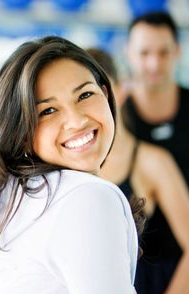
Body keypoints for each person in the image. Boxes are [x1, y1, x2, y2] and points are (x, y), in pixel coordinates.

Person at [0, 36, 143, 294]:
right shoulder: (85, 197)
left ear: (106, 93)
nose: (76, 121)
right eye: (47, 111)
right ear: (22, 135)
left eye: (85, 95)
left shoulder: (20, 195)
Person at [88, 48, 189, 294]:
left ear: (120, 91)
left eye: (92, 94)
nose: (87, 107)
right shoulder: (67, 166)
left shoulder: (152, 162)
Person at [123, 11, 189, 184]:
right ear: (128, 53)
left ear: (177, 51)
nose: (154, 64)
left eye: (163, 52)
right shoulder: (115, 114)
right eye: (144, 53)